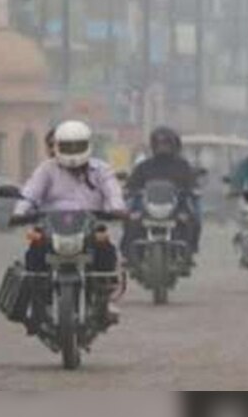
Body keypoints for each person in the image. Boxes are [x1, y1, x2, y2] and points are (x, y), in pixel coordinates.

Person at [16, 120, 125, 332]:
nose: (72, 152)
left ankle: (103, 300)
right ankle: (39, 305)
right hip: (50, 226)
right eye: (67, 146)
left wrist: (117, 209)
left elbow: (113, 193)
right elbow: (30, 193)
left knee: (106, 250)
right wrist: (20, 212)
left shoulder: (101, 169)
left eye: (77, 146)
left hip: (90, 225)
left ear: (87, 145)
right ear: (56, 146)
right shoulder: (46, 169)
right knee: (34, 254)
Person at [123, 126, 201, 261]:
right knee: (130, 219)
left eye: (166, 144)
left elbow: (193, 183)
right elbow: (131, 184)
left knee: (193, 220)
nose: (162, 147)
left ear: (174, 145)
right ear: (153, 145)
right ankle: (129, 254)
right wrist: (128, 190)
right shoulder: (144, 166)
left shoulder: (183, 166)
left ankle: (188, 252)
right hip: (147, 207)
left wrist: (193, 190)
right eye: (159, 144)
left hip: (177, 206)